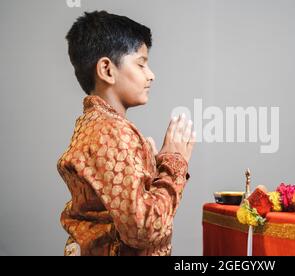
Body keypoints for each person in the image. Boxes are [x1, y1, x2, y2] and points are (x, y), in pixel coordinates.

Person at [57, 10, 195, 256]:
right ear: (107, 70)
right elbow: (143, 230)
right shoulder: (111, 131)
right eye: (141, 63)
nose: (151, 74)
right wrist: (174, 164)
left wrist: (152, 171)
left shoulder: (94, 125)